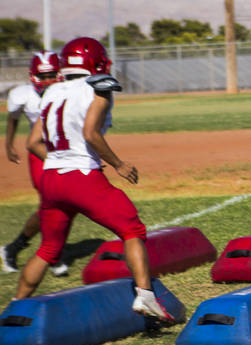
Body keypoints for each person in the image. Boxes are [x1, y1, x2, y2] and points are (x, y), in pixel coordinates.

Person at [15, 37, 175, 323]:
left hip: (52, 179)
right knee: (132, 229)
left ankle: (15, 308)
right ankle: (146, 296)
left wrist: (57, 159)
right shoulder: (98, 87)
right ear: (98, 62)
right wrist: (118, 164)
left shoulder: (51, 91)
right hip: (82, 178)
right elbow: (91, 133)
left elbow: (32, 142)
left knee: (48, 248)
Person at [1, 51, 68, 277]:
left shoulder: (70, 90)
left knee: (66, 203)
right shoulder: (23, 95)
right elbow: (13, 119)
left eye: (52, 74)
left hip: (66, 151)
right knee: (51, 204)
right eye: (43, 75)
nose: (48, 80)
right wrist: (8, 144)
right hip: (39, 153)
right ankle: (51, 254)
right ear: (32, 76)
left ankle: (14, 248)